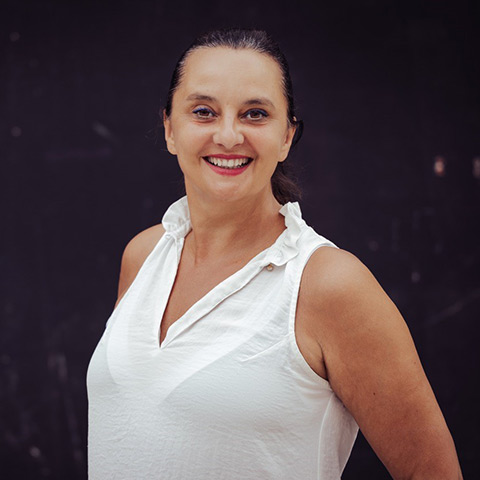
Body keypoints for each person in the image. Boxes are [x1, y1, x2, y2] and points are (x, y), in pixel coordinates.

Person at [86, 28, 463, 479]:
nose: (228, 135)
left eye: (255, 114)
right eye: (203, 112)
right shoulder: (145, 254)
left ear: (286, 136)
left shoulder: (327, 284)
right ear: (170, 129)